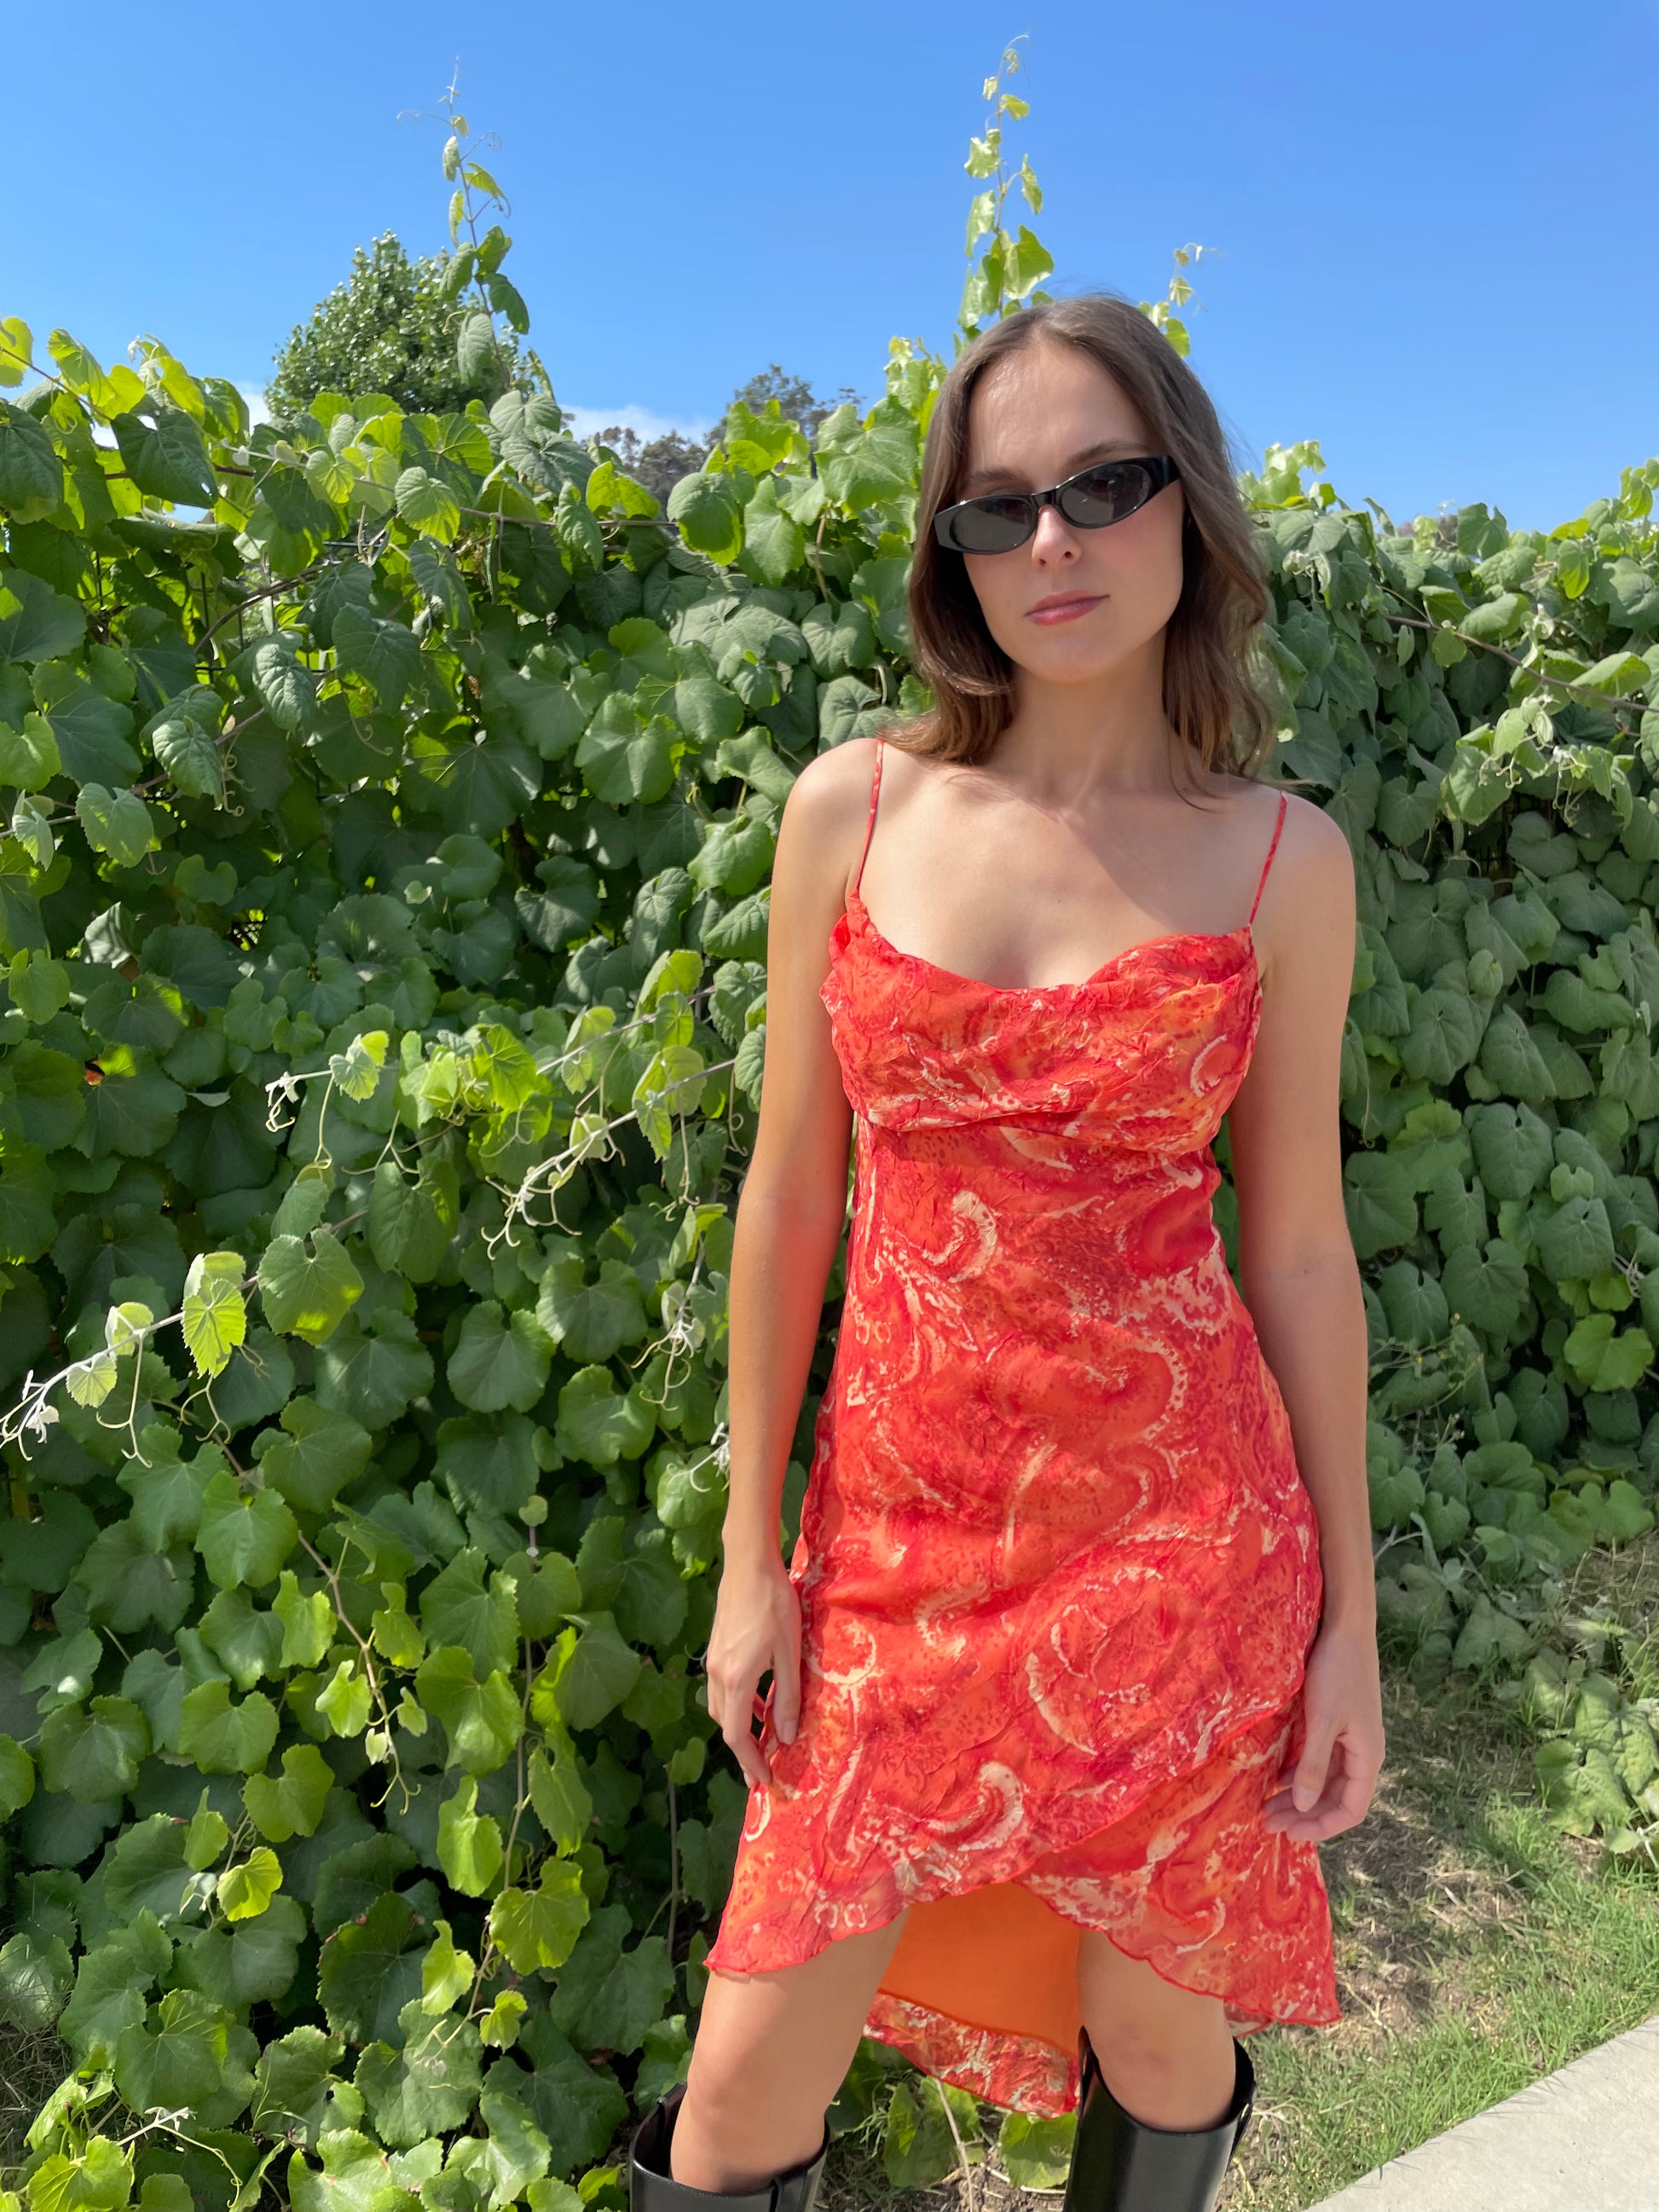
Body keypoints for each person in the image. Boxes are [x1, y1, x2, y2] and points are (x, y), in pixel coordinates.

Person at [629, 293, 1384, 2212]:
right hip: (889, 1557)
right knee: (734, 2099)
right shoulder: (853, 810)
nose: (1051, 540)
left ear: (1185, 510)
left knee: (1153, 2032)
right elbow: (790, 1198)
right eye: (996, 507)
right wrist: (751, 1559)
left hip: (1177, 1553)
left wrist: (1348, 1615)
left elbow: (1296, 1246)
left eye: (1102, 485)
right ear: (948, 554)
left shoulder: (1286, 862)